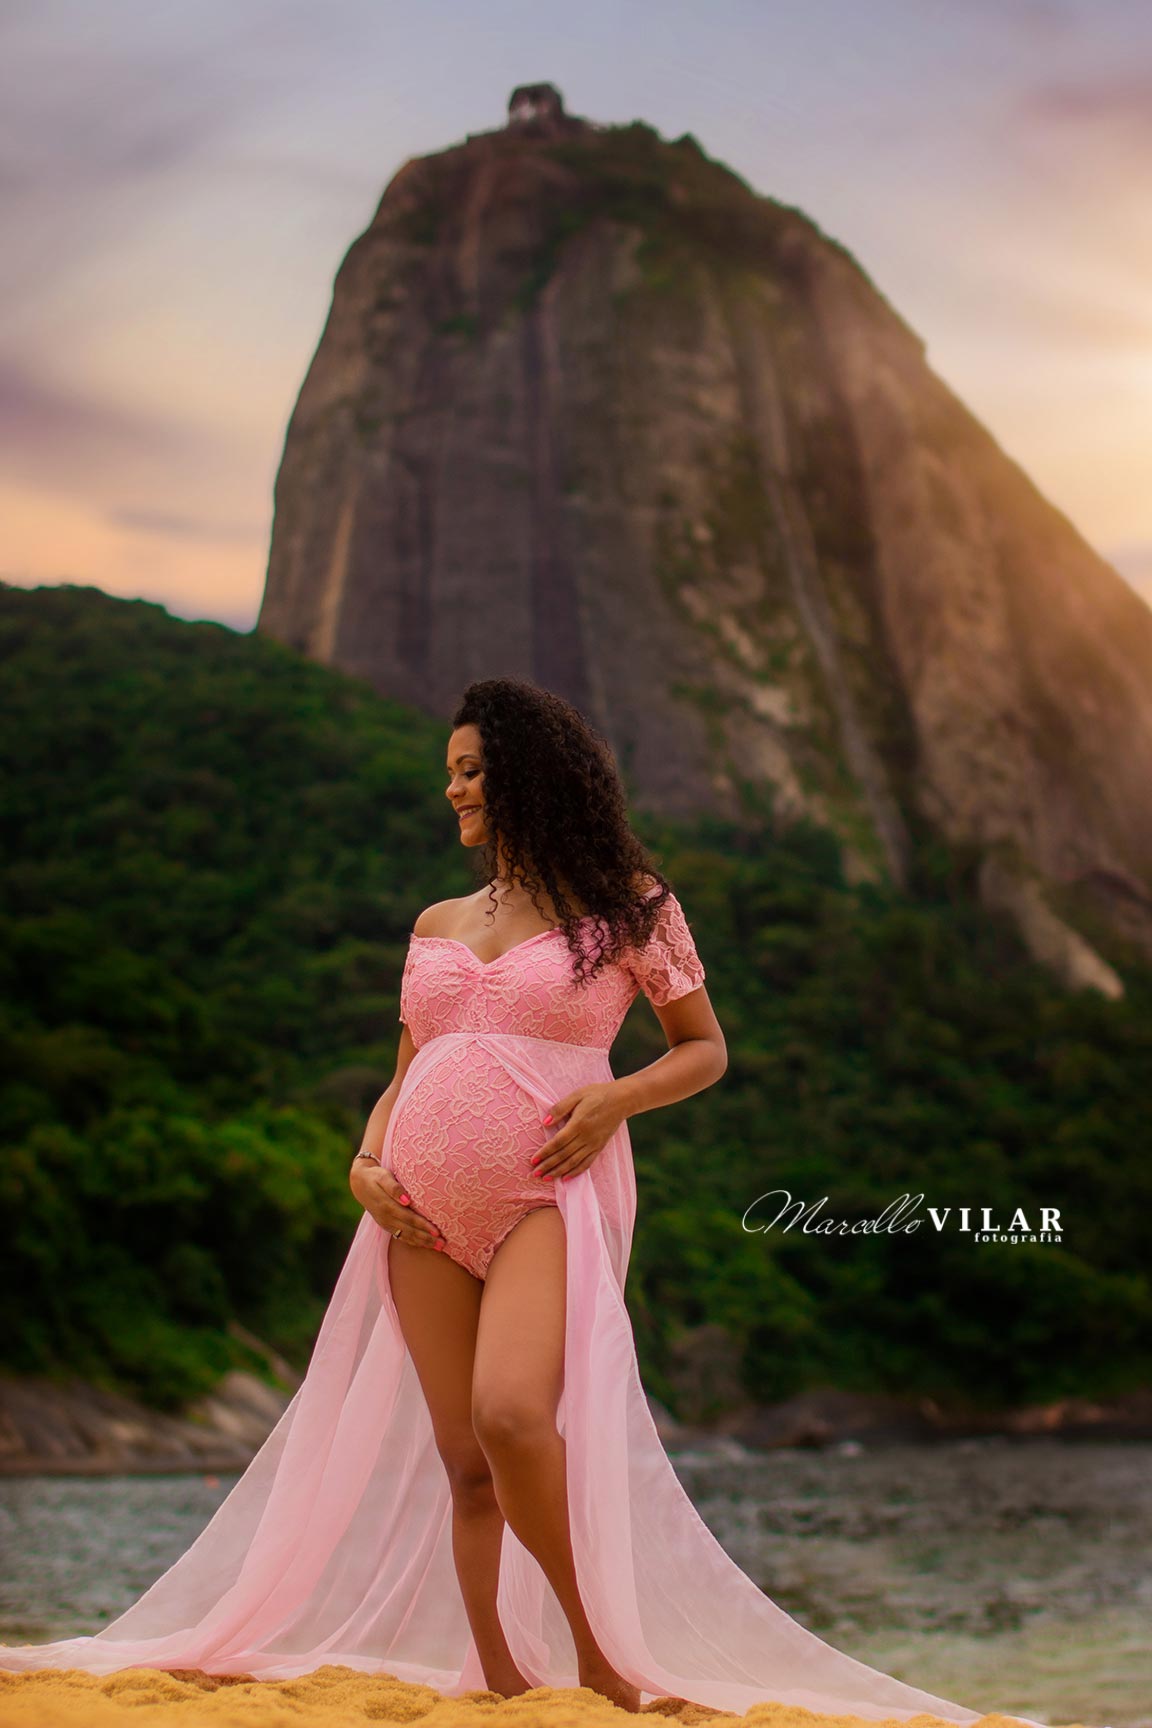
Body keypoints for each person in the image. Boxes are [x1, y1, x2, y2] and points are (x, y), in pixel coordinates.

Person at [0, 679, 1046, 1728]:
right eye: (449, 773)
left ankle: (597, 1655)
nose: (451, 791)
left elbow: (705, 1051)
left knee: (509, 1416)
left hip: (549, 1196)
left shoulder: (630, 906)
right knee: (466, 1466)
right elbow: (408, 1068)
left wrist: (613, 1099)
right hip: (416, 1214)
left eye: (470, 772)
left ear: (528, 776)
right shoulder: (437, 921)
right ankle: (499, 1677)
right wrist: (363, 1163)